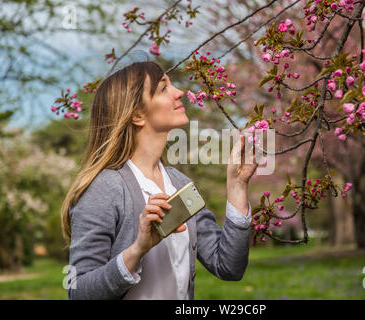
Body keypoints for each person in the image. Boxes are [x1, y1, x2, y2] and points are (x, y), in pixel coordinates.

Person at [61, 61, 258, 300]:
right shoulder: (104, 188)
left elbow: (229, 267)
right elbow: (78, 293)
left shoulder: (179, 182)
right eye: (163, 88)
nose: (180, 92)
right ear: (137, 115)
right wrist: (138, 249)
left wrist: (237, 186)